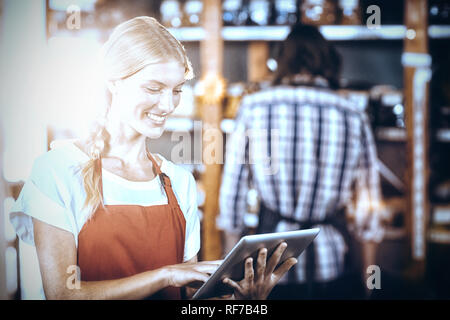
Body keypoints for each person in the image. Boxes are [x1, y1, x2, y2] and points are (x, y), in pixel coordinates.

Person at [9, 16, 297, 300]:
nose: (167, 104)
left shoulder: (179, 182)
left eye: (176, 91)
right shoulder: (58, 170)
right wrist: (166, 275)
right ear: (114, 83)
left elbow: (188, 301)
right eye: (154, 88)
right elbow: (63, 294)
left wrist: (244, 303)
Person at [218, 24, 385, 299]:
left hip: (268, 267)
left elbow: (232, 198)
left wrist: (230, 279)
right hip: (332, 263)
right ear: (330, 62)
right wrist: (369, 287)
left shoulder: (254, 107)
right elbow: (369, 213)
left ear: (281, 61)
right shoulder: (353, 114)